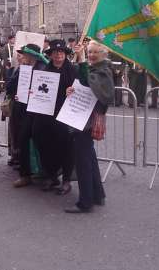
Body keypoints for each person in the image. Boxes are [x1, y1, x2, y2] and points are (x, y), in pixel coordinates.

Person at [64, 40, 112, 213]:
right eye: (89, 52)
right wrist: (70, 90)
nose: (91, 55)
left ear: (103, 54)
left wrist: (83, 60)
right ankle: (97, 194)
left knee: (83, 160)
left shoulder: (103, 70)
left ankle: (85, 202)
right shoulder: (94, 68)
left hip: (87, 121)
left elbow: (94, 85)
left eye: (94, 52)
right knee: (89, 158)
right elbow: (81, 83)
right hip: (81, 117)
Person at [33, 39, 77, 194]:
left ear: (65, 54)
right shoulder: (45, 71)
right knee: (46, 147)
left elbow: (81, 92)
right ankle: (51, 176)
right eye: (55, 52)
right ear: (50, 55)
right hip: (46, 117)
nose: (58, 54)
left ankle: (66, 181)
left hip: (65, 117)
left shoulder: (73, 71)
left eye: (61, 52)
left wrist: (71, 92)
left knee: (66, 148)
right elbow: (39, 91)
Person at [7, 44, 49, 187]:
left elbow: (45, 92)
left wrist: (32, 93)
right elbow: (11, 87)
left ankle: (45, 172)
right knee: (23, 140)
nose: (21, 56)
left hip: (38, 113)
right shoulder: (24, 68)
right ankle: (26, 174)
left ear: (31, 55)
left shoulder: (42, 69)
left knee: (41, 142)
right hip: (25, 111)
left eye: (24, 54)